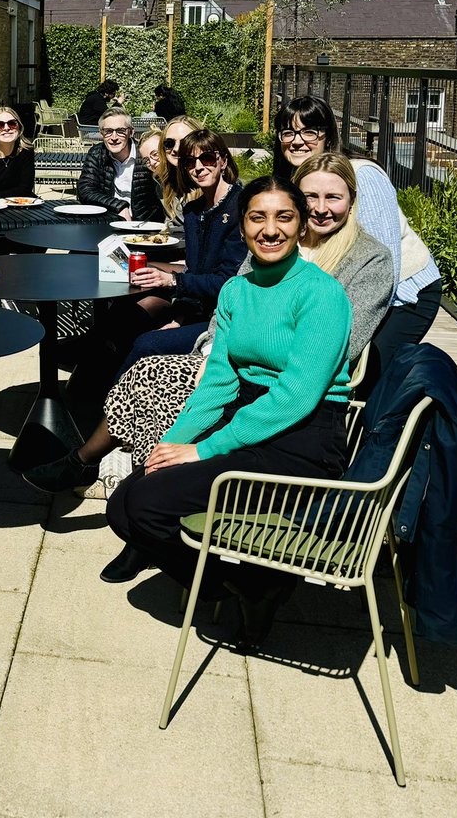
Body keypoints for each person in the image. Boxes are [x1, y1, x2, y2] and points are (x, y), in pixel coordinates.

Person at [29, 154, 394, 496]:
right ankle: (108, 464)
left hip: (285, 379)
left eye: (333, 197)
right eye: (310, 196)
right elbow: (233, 299)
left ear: (352, 200)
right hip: (238, 360)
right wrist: (212, 349)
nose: (320, 207)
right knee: (148, 368)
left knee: (160, 376)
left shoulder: (368, 258)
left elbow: (346, 342)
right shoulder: (274, 235)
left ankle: (138, 471)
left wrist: (240, 358)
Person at [104, 175, 353, 648]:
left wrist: (206, 449)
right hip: (248, 420)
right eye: (258, 218)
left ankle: (253, 586)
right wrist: (174, 442)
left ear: (302, 226)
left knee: (145, 506)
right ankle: (245, 583)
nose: (271, 230)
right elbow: (218, 381)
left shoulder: (322, 295)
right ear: (242, 227)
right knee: (122, 506)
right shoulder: (237, 291)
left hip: (302, 439)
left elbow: (297, 396)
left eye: (284, 217)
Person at [66, 129, 244, 406]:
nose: (198, 167)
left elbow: (229, 282)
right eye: (190, 162)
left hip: (225, 319)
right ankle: (83, 395)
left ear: (222, 160)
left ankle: (110, 412)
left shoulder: (240, 207)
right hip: (196, 307)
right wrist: (180, 315)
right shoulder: (194, 211)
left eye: (207, 158)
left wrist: (172, 282)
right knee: (125, 315)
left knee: (147, 344)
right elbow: (195, 271)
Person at [274, 95, 441, 378]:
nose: (297, 141)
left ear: (328, 136)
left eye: (309, 132)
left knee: (363, 374)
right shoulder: (295, 180)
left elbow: (383, 261)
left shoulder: (361, 175)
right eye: (288, 132)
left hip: (402, 293)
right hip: (341, 284)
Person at [76, 110, 163, 221]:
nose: (114, 137)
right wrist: (118, 206)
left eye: (120, 131)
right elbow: (85, 190)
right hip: (108, 221)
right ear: (101, 133)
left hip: (145, 224)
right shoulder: (97, 154)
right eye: (108, 131)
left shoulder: (145, 155)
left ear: (131, 132)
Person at [155, 114, 200, 231]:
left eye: (185, 142)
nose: (176, 149)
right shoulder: (164, 183)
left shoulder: (214, 182)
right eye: (169, 143)